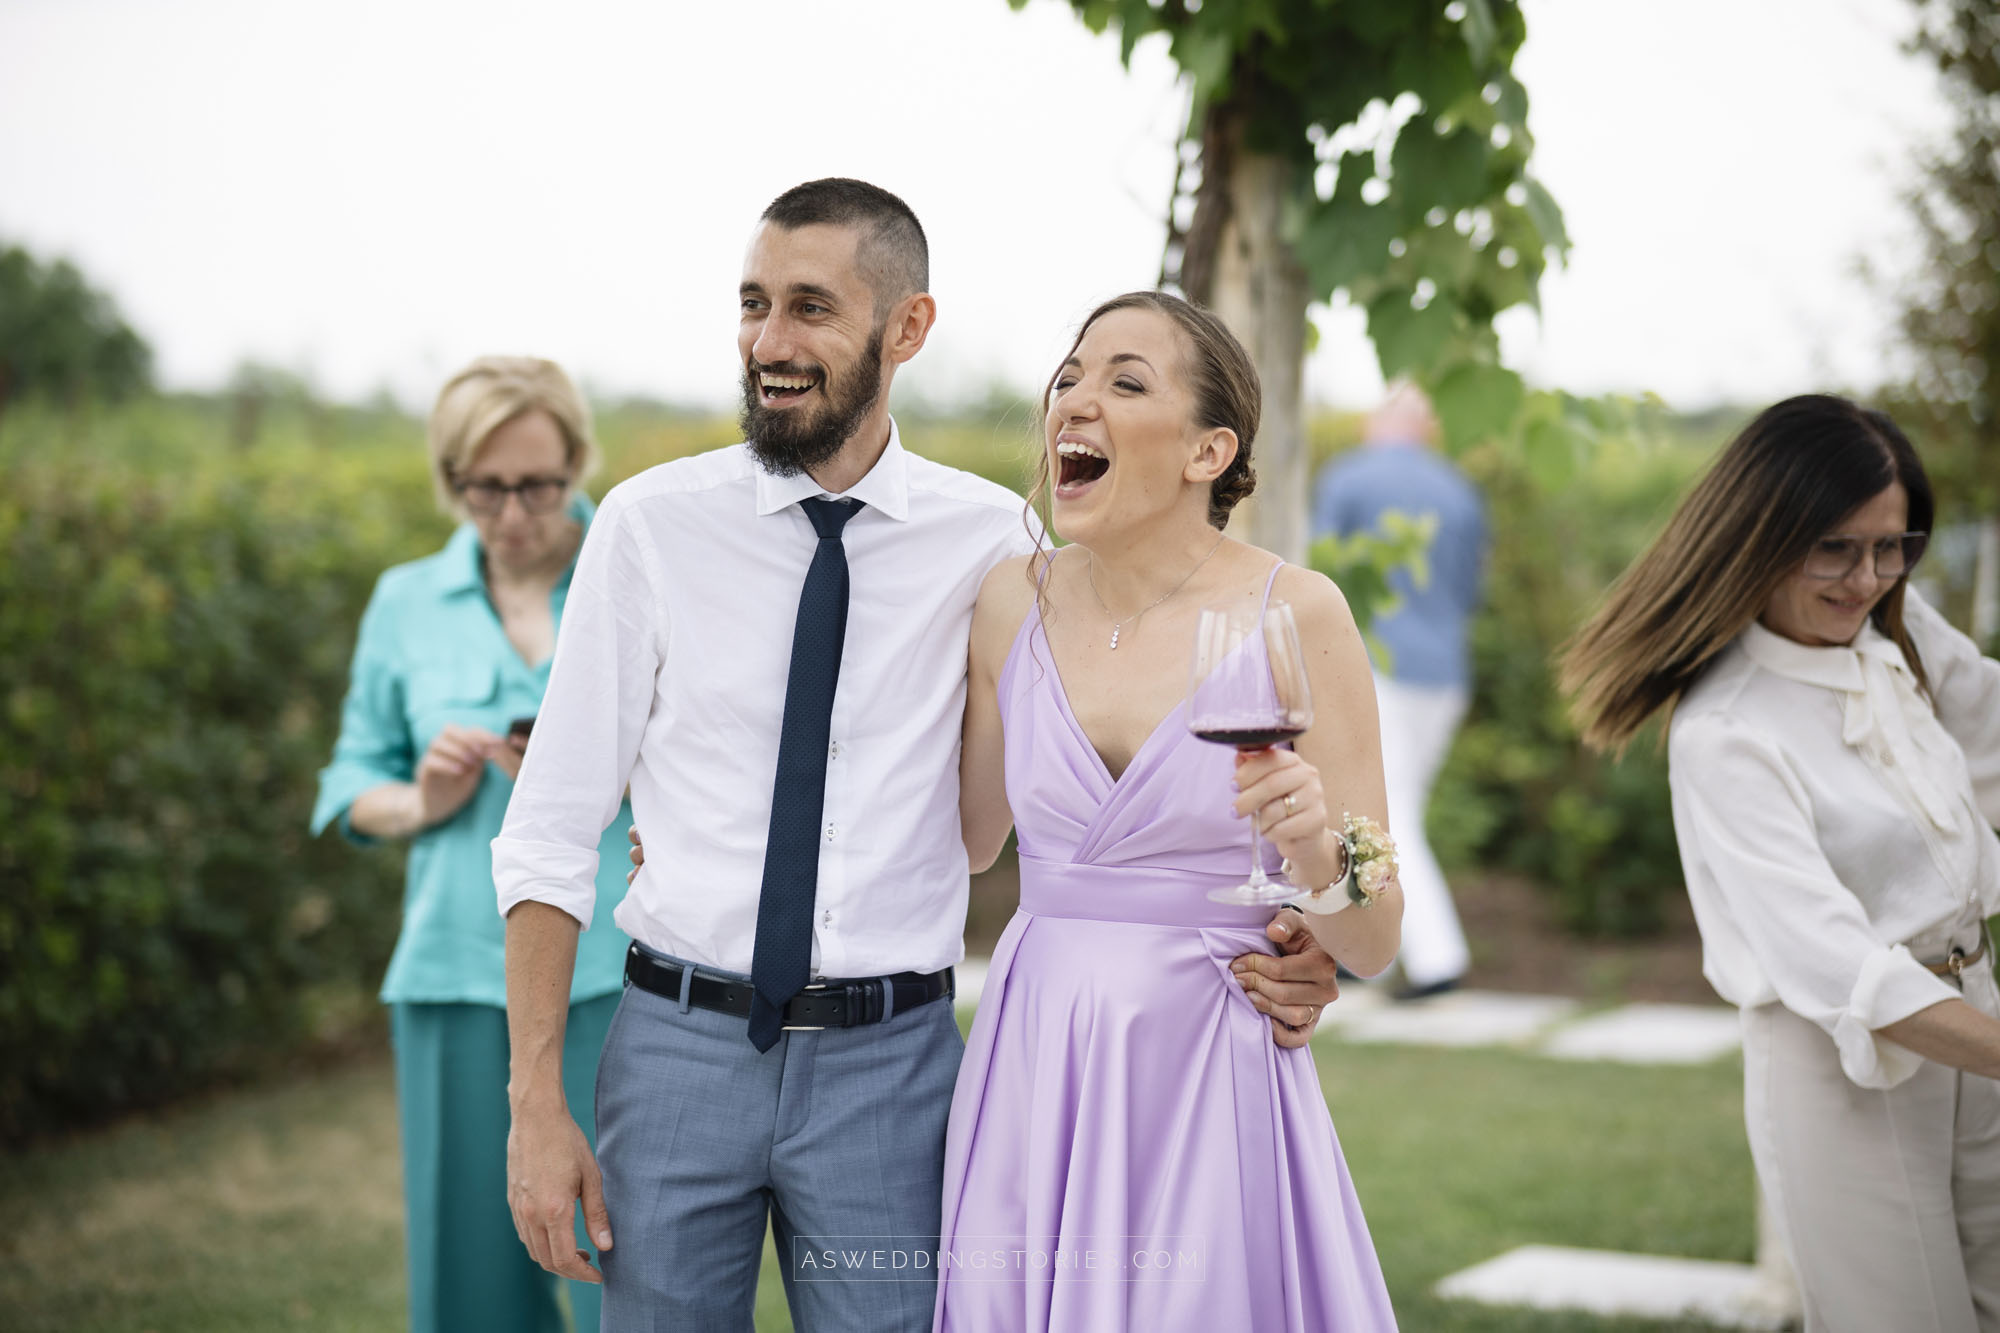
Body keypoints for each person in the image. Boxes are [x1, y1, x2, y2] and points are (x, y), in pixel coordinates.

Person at [492, 179, 1346, 1333]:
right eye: (752, 305)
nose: (769, 342)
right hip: (675, 1054)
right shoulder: (647, 530)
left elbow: (1061, 781)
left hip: (890, 1074)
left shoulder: (999, 548)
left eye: (808, 307)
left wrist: (1297, 937)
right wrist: (533, 1099)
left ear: (907, 329)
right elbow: (547, 831)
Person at [935, 291, 1401, 1330]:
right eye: (1068, 376)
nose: (1073, 402)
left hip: (1207, 1049)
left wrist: (1310, 850)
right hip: (1036, 1043)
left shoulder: (1295, 611)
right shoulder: (1009, 600)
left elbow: (1373, 936)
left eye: (1123, 381)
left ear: (1207, 451)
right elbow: (964, 839)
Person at [1560, 394, 2000, 1330]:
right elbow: (1840, 966)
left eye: (1893, 546)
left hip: (1979, 1022)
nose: (1868, 578)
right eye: (1834, 547)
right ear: (1762, 538)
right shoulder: (1728, 733)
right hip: (1844, 1070)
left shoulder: (1896, 636)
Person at [310, 356, 633, 1333]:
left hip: (621, 969)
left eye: (539, 484)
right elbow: (349, 782)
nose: (514, 512)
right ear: (450, 481)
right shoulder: (404, 601)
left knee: (637, 1265)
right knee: (468, 1290)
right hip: (452, 975)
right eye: (483, 489)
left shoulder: (637, 577)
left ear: (578, 463)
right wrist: (424, 797)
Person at [1311, 383, 1484, 998]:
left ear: (1383, 418)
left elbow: (1315, 578)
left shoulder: (1348, 477)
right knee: (1392, 811)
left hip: (1378, 665)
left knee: (1389, 816)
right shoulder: (1459, 489)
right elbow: (1469, 590)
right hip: (1446, 673)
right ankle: (1362, 950)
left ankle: (1437, 960)